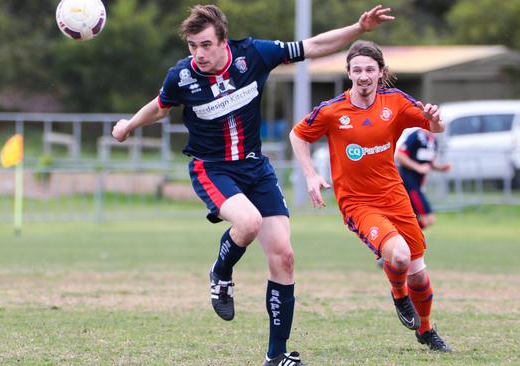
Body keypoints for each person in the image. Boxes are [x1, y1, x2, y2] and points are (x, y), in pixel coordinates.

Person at [112, 5, 394, 365]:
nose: (198, 54)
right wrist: (128, 127)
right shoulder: (181, 76)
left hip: (255, 168)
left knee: (285, 257)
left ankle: (276, 356)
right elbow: (160, 107)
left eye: (206, 44)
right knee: (247, 223)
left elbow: (313, 46)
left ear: (223, 41)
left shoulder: (254, 54)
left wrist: (358, 28)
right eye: (192, 46)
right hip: (212, 169)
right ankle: (221, 272)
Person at [290, 40, 451, 352]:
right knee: (400, 256)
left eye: (369, 69)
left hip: (395, 196)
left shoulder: (396, 102)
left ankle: (426, 330)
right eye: (357, 70)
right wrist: (310, 175)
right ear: (349, 73)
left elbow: (437, 127)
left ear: (381, 72)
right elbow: (298, 134)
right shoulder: (332, 111)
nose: (363, 76)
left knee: (419, 274)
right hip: (359, 203)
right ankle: (398, 294)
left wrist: (433, 118)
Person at [396, 128, 451, 229]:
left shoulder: (433, 140)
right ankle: (401, 234)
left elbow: (428, 162)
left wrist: (441, 168)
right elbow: (400, 155)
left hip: (419, 185)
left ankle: (403, 234)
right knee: (427, 219)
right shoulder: (416, 136)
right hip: (409, 184)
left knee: (427, 220)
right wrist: (418, 167)